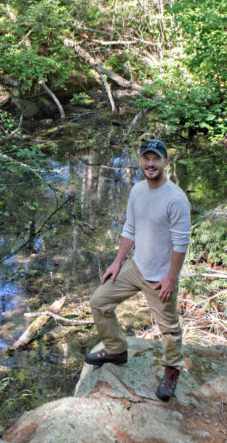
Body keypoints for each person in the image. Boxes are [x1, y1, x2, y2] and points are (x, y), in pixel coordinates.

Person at [85, 139, 191, 402]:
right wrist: (117, 262)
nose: (151, 164)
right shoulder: (137, 190)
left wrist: (171, 279)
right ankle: (117, 350)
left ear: (166, 162)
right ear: (141, 161)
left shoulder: (176, 199)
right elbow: (129, 229)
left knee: (168, 328)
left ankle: (172, 370)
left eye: (156, 159)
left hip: (160, 277)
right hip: (136, 267)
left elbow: (181, 244)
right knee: (99, 301)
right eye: (146, 158)